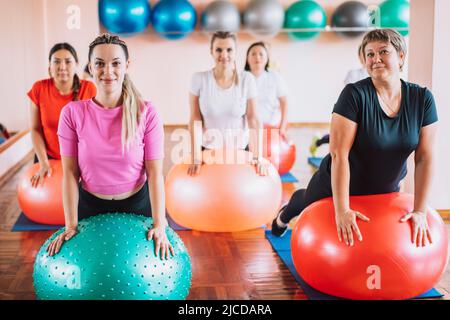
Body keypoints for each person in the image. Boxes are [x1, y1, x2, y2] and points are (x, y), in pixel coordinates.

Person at [272, 29, 437, 250]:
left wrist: (419, 210)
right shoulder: (353, 95)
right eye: (369, 54)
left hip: (385, 188)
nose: (375, 59)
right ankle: (285, 213)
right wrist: (342, 210)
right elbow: (339, 155)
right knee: (307, 201)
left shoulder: (422, 99)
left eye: (383, 52)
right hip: (338, 183)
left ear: (400, 56)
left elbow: (425, 158)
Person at [46, 34, 173, 260]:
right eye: (99, 64)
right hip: (90, 207)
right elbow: (69, 173)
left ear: (127, 65)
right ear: (90, 68)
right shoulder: (72, 113)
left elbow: (155, 174)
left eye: (115, 63)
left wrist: (160, 224)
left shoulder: (147, 112)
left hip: (138, 207)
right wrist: (70, 225)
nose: (108, 71)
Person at [188, 31, 268, 176]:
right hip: (208, 152)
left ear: (235, 52)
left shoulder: (246, 79)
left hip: (239, 153)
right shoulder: (199, 79)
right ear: (211, 51)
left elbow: (253, 119)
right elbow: (195, 119)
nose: (224, 55)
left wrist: (258, 156)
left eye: (229, 50)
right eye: (219, 49)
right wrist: (195, 156)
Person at [27, 43, 96, 187]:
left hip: (79, 160)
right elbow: (35, 129)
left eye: (68, 61)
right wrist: (43, 163)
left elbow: (95, 131)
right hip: (47, 158)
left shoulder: (89, 89)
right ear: (49, 66)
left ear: (76, 64)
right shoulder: (39, 88)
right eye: (56, 61)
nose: (62, 67)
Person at [310, 44, 369, 156]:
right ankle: (318, 141)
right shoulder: (353, 74)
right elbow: (350, 92)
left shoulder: (377, 76)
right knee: (340, 137)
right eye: (365, 54)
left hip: (367, 113)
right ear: (360, 56)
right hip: (352, 110)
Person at [244, 41, 289, 139]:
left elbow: (284, 102)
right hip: (248, 129)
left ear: (267, 58)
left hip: (272, 128)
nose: (257, 57)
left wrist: (283, 127)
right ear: (247, 58)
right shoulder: (242, 78)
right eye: (253, 54)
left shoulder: (275, 76)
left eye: (261, 54)